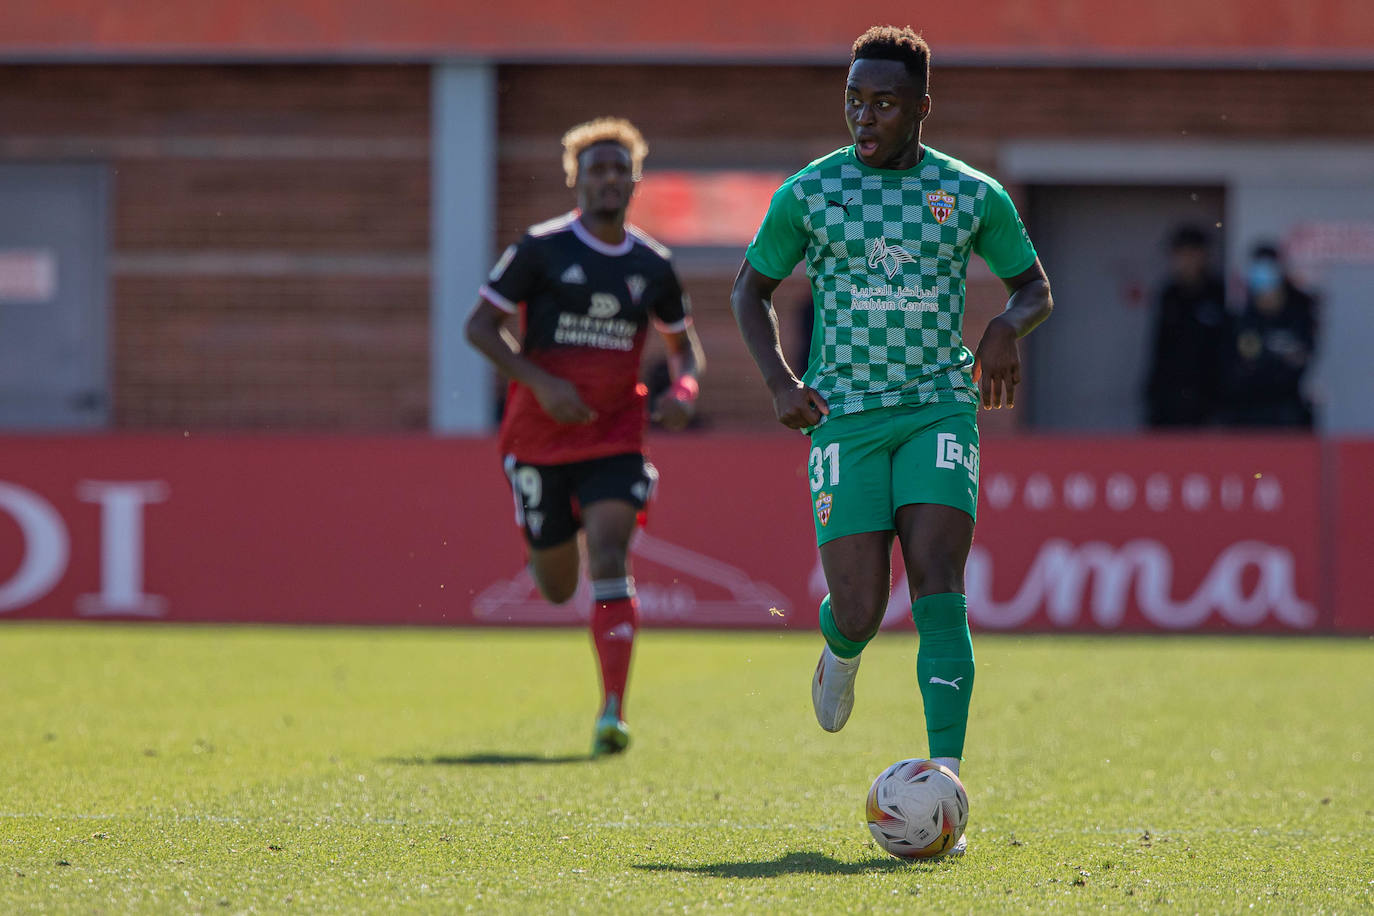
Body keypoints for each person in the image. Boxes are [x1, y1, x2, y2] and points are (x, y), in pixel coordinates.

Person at [730, 25, 1052, 854]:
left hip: (940, 405)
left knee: (938, 579)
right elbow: (749, 289)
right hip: (846, 418)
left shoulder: (969, 195)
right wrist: (779, 382)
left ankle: (944, 783)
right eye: (854, 100)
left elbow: (1033, 286)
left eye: (883, 102)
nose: (864, 116)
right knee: (866, 606)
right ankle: (840, 647)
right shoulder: (811, 194)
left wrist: (1007, 328)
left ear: (921, 108)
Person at [464, 117, 705, 757]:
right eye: (596, 169)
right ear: (576, 179)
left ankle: (612, 711)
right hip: (538, 438)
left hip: (616, 434)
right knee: (555, 585)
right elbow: (480, 327)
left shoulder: (652, 263)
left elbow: (685, 350)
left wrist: (682, 393)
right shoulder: (539, 249)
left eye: (619, 169)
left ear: (634, 180)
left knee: (608, 550)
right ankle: (543, 533)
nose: (608, 179)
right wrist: (540, 382)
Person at [1216, 243, 1318, 427]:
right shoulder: (1240, 318)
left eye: (1270, 274)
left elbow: (1301, 360)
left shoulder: (1299, 314)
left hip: (1287, 414)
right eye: (1259, 274)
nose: (1265, 285)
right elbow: (1234, 368)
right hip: (1246, 415)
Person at [1143, 224, 1228, 427]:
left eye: (1190, 254)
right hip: (1169, 399)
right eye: (1179, 254)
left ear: (1202, 255)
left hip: (1208, 400)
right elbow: (1160, 348)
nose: (1184, 261)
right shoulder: (1169, 295)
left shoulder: (1218, 295)